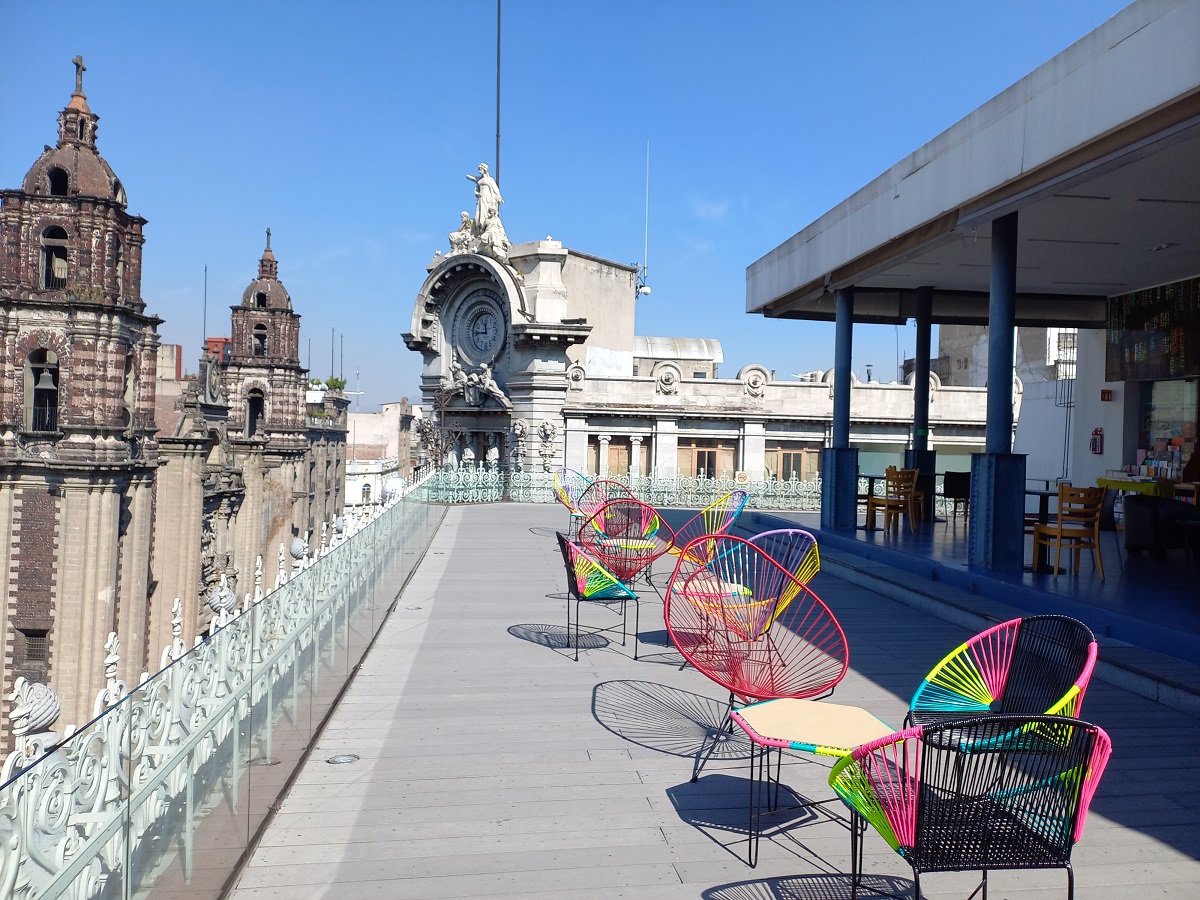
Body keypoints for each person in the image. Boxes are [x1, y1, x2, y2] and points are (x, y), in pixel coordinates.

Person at [466, 163, 502, 232]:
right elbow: (472, 178)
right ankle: (479, 230)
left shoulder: (490, 180)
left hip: (488, 198)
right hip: (481, 198)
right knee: (478, 217)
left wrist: (499, 197)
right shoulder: (479, 179)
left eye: (480, 169)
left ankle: (485, 229)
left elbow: (495, 189)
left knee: (486, 215)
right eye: (479, 169)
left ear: (484, 169)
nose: (479, 171)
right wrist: (467, 176)